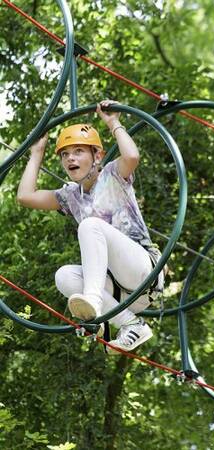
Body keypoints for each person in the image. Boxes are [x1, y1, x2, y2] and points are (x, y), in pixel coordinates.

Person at [17, 100, 164, 355]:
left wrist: (113, 122)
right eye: (65, 154)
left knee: (89, 226)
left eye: (78, 151)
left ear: (96, 156)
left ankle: (94, 305)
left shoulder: (112, 175)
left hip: (142, 273)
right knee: (63, 276)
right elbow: (25, 196)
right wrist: (36, 153)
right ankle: (130, 323)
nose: (70, 158)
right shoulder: (70, 196)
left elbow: (131, 156)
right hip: (118, 292)